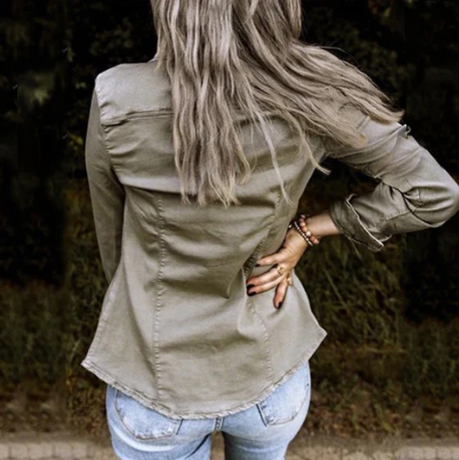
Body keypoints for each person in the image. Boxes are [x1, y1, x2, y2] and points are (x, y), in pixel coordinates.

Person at [81, 1, 459, 459]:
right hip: (269, 374)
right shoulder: (314, 90)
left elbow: (112, 243)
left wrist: (146, 311)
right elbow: (433, 191)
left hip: (156, 384)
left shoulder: (116, 96)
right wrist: (311, 229)